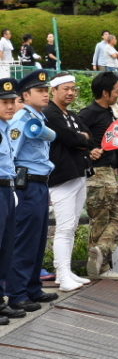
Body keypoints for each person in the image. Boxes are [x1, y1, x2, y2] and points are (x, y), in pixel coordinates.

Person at [6, 70, 58, 312]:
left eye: (46, 90)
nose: (45, 94)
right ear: (25, 95)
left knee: (37, 241)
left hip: (39, 183)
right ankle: (17, 293)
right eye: (40, 91)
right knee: (24, 240)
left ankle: (32, 287)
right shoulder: (21, 120)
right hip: (26, 185)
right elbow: (10, 156)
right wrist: (16, 189)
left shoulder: (38, 118)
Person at [44, 73, 93, 292]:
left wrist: (81, 138)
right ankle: (61, 274)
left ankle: (68, 270)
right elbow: (70, 138)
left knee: (72, 225)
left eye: (74, 89)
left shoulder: (72, 114)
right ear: (54, 90)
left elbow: (88, 137)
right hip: (62, 176)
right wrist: (80, 138)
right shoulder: (50, 113)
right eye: (66, 88)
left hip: (79, 172)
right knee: (64, 227)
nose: (71, 92)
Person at [78, 72, 118, 280]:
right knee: (100, 219)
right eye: (116, 90)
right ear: (105, 92)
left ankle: (100, 253)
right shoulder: (88, 113)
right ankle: (99, 269)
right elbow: (75, 138)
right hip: (97, 173)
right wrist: (89, 151)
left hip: (110, 172)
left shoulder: (109, 113)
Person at [0, 78, 27, 324]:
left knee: (6, 247)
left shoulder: (6, 128)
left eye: (12, 101)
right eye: (4, 102)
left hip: (7, 190)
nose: (10, 106)